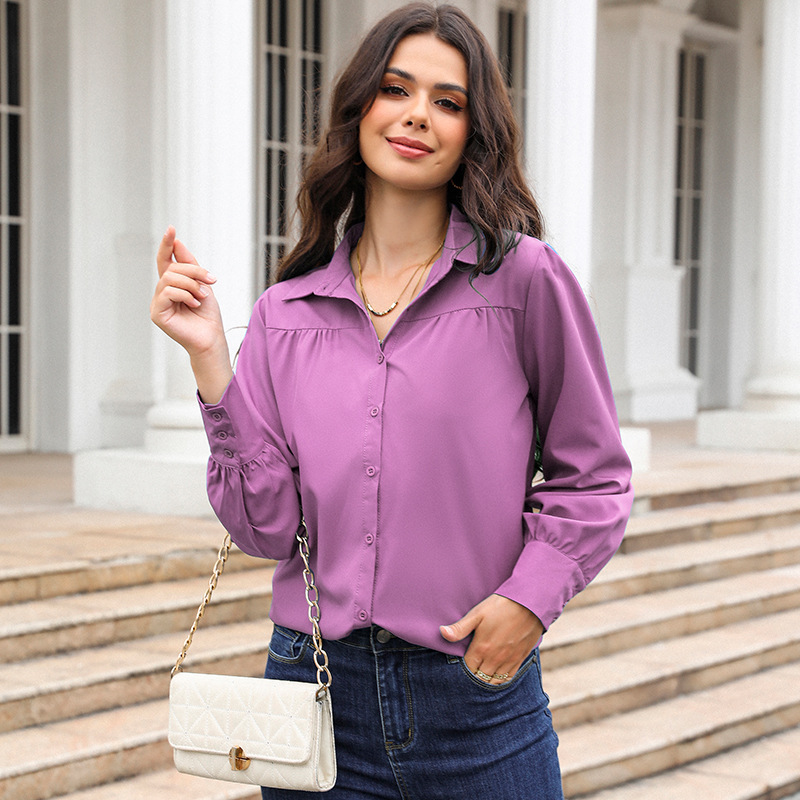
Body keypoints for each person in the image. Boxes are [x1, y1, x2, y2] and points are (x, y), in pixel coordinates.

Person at [150, 3, 633, 798]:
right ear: (360, 109)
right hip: (311, 694)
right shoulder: (287, 311)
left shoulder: (524, 283)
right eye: (396, 89)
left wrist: (529, 600)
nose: (417, 115)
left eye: (447, 101)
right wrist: (210, 356)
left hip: (475, 701)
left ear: (473, 133)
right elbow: (266, 527)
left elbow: (596, 478)